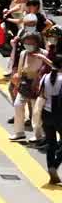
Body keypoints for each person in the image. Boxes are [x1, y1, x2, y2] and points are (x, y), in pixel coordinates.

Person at [10, 31, 50, 143]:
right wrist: (16, 86)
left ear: (37, 43)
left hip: (38, 86)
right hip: (24, 83)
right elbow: (19, 70)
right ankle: (19, 132)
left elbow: (46, 70)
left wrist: (38, 82)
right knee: (18, 105)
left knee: (36, 112)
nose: (28, 45)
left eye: (31, 43)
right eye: (26, 43)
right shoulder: (23, 53)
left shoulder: (44, 54)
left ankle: (38, 135)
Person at [41, 55, 62, 184]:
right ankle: (55, 164)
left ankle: (50, 167)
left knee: (51, 143)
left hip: (46, 113)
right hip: (59, 115)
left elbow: (40, 93)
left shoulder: (45, 77)